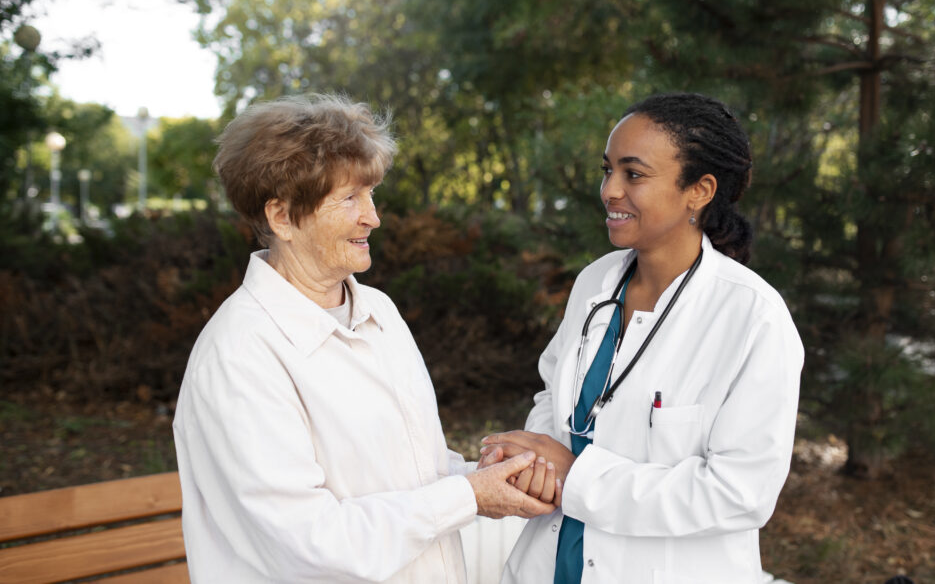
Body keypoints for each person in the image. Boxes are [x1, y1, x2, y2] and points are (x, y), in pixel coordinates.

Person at [173, 94, 556, 583]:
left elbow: (413, 476)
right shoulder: (238, 356)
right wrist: (468, 496)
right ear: (282, 217)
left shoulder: (379, 311)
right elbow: (310, 545)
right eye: (350, 198)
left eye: (371, 194)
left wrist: (485, 478)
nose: (373, 217)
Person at [481, 92, 804, 583]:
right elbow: (553, 393)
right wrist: (536, 461)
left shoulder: (752, 317)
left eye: (633, 174)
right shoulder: (596, 282)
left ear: (699, 190)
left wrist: (576, 477)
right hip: (550, 564)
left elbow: (740, 494)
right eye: (607, 170)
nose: (610, 190)